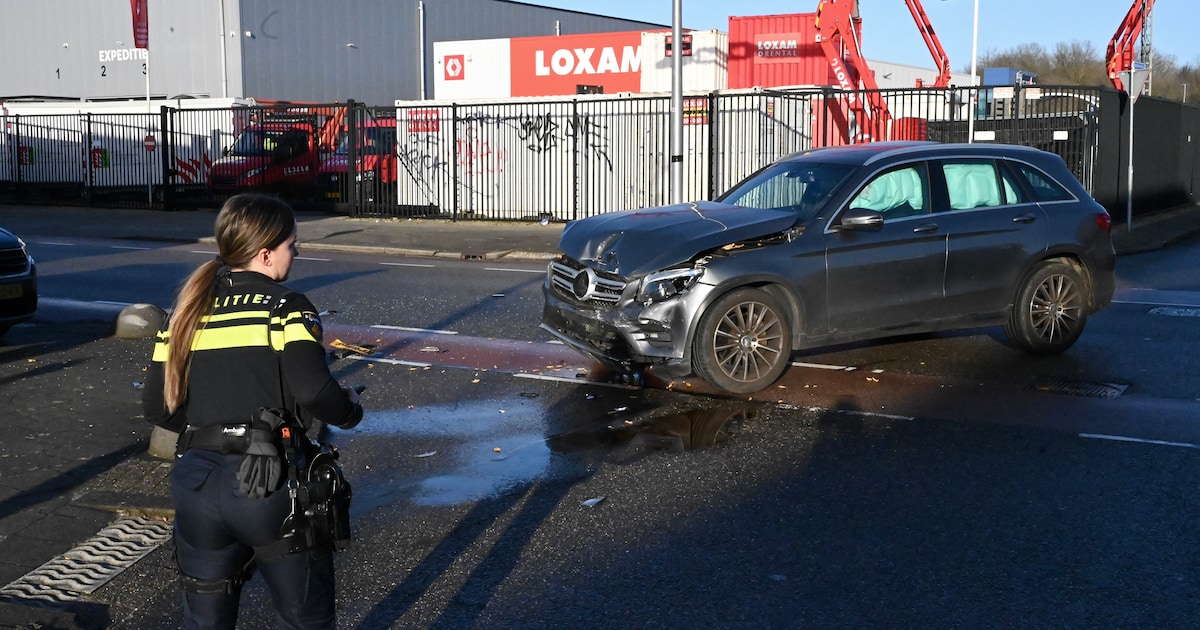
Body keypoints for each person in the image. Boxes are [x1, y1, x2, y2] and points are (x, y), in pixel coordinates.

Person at [143, 193, 362, 629]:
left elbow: (157, 407)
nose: (296, 253)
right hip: (271, 485)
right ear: (265, 254)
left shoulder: (184, 313)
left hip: (198, 487)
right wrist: (350, 410)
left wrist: (213, 427)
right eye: (291, 245)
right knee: (304, 619)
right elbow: (314, 391)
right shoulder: (286, 307)